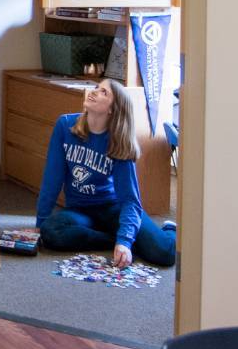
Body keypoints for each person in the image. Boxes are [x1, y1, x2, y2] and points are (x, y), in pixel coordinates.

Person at [33, 79, 176, 266]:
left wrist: (125, 241)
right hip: (79, 211)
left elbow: (130, 200)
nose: (94, 92)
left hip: (113, 209)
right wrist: (40, 223)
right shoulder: (65, 125)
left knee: (164, 253)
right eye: (96, 88)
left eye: (104, 92)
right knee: (50, 231)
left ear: (112, 109)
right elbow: (52, 179)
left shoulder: (118, 140)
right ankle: (112, 239)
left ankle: (170, 229)